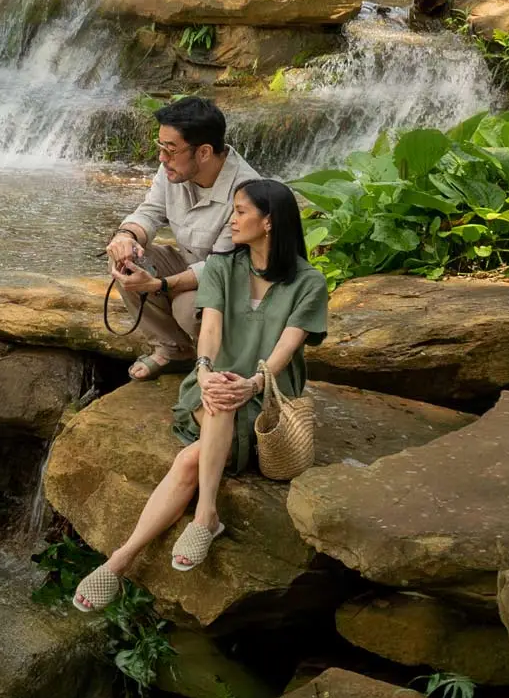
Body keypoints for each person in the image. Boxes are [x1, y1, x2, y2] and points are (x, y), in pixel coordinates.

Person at [74, 179, 329, 612]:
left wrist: (254, 382)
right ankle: (205, 514)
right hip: (214, 383)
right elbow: (208, 329)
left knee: (193, 452)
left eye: (241, 211)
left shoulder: (308, 282)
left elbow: (287, 346)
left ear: (268, 223)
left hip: (266, 394)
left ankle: (121, 559)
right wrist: (206, 369)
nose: (231, 219)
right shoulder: (224, 266)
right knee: (219, 392)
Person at [105, 96, 261, 383]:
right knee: (126, 261)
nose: (162, 157)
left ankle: (218, 363)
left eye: (170, 149)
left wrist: (161, 285)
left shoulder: (247, 192)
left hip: (232, 284)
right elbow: (150, 211)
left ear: (203, 152)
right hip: (190, 261)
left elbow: (221, 266)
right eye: (160, 147)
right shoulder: (173, 169)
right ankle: (173, 349)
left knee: (187, 307)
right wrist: (126, 236)